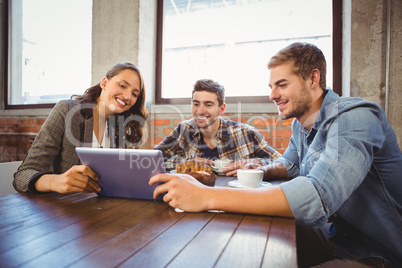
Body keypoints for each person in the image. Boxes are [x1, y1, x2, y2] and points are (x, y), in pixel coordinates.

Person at [150, 43, 402, 267]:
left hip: (379, 253)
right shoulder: (301, 125)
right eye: (271, 86)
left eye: (282, 85)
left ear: (313, 78)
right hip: (337, 236)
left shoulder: (354, 118)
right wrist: (260, 167)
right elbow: (290, 164)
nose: (272, 95)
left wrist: (207, 197)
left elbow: (315, 197)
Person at [14, 62, 148, 194]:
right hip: (60, 208)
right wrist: (55, 181)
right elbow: (23, 175)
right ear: (104, 83)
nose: (127, 96)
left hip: (97, 207)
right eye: (122, 85)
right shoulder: (67, 111)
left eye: (135, 94)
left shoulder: (118, 127)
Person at [154, 79, 281, 175]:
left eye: (208, 105)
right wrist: (185, 162)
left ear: (222, 109)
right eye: (196, 104)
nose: (200, 111)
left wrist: (257, 163)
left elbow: (282, 163)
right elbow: (155, 158)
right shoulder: (184, 129)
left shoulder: (246, 133)